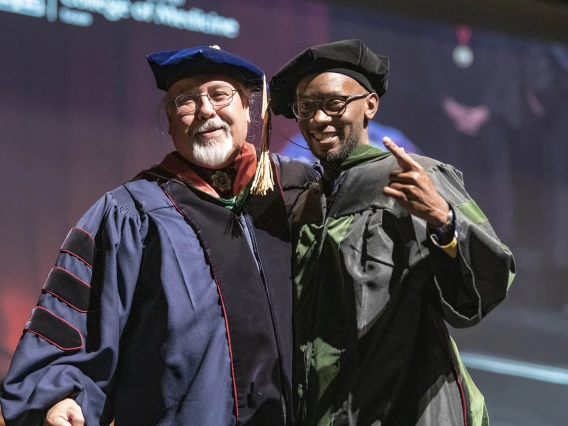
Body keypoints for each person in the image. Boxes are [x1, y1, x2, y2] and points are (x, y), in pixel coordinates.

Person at [0, 46, 319, 426]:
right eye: (186, 99)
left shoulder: (297, 191)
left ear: (249, 108)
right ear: (170, 119)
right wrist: (61, 395)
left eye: (219, 95)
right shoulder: (130, 213)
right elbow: (74, 318)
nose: (205, 110)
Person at [269, 39, 516, 426]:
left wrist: (444, 221)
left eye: (334, 104)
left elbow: (483, 290)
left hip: (406, 409)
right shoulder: (307, 202)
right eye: (306, 107)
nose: (318, 119)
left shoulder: (411, 177)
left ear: (370, 105)